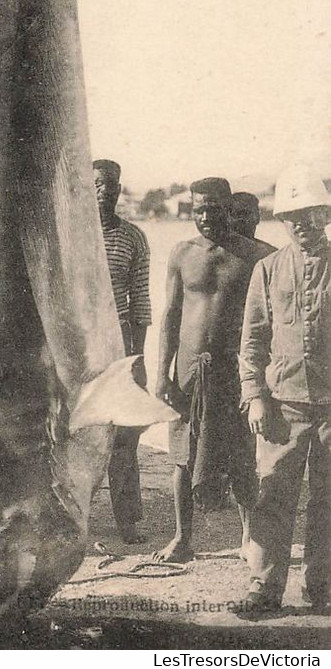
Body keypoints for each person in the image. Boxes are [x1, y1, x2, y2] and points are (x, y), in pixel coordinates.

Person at [154, 177, 274, 563]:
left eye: (214, 209)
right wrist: (162, 374)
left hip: (234, 372)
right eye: (199, 209)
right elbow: (170, 317)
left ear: (229, 208)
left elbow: (269, 322)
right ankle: (182, 539)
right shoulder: (180, 253)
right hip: (190, 371)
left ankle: (248, 537)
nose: (206, 217)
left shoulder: (257, 256)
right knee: (181, 456)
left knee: (243, 455)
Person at [239, 166, 330, 615]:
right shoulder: (267, 269)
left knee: (329, 500)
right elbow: (253, 339)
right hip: (283, 406)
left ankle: (323, 587)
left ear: (326, 213)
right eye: (292, 216)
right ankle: (263, 587)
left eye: (311, 214)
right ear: (282, 220)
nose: (302, 224)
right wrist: (255, 394)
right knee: (273, 496)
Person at [93, 159, 152, 544]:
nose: (104, 191)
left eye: (111, 185)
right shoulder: (71, 234)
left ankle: (127, 520)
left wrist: (139, 357)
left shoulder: (132, 237)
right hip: (76, 345)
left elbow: (141, 300)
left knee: (124, 438)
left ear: (119, 188)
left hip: (120, 345)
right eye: (96, 184)